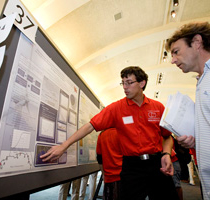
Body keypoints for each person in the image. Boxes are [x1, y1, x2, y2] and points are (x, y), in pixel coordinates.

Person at [41, 66, 178, 200]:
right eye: (123, 83)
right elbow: (90, 126)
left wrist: (166, 154)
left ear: (142, 83)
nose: (125, 87)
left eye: (129, 83)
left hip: (156, 164)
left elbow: (167, 136)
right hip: (131, 167)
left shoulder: (158, 107)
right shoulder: (116, 108)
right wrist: (63, 146)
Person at [166, 21, 210, 200]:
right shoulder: (202, 80)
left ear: (197, 42)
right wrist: (196, 141)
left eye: (176, 51)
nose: (173, 60)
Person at [96, 128, 123, 200]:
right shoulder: (123, 132)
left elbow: (99, 158)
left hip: (109, 177)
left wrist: (104, 174)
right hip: (123, 176)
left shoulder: (101, 135)